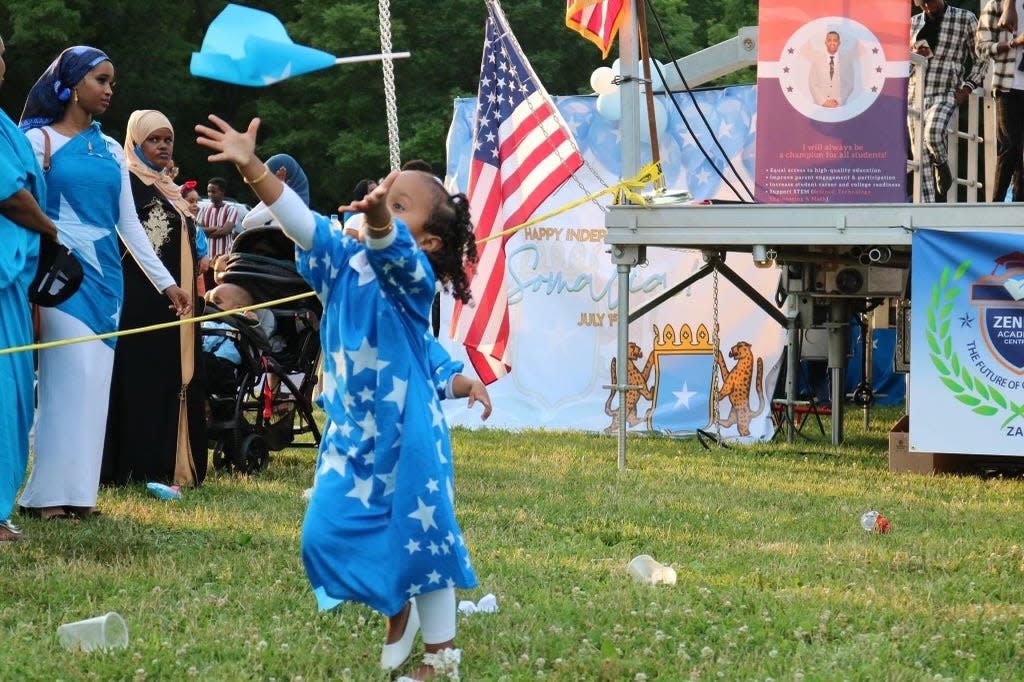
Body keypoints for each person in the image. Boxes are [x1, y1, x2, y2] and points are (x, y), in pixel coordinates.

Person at [196, 113, 480, 681]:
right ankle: (393, 603)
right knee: (322, 535)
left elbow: (396, 265)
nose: (382, 205)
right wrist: (252, 166)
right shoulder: (340, 267)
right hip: (350, 436)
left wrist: (379, 223)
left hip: (409, 440)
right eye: (383, 195)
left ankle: (441, 657)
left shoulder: (411, 280)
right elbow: (301, 224)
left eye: (400, 206)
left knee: (424, 542)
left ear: (429, 242)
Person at [16, 46, 191, 521]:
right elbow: (19, 210)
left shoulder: (113, 148)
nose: (110, 90)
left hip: (107, 280)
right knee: (63, 382)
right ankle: (45, 496)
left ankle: (80, 496)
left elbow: (128, 225)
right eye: (101, 80)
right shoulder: (36, 142)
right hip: (61, 276)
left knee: (95, 386)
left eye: (112, 81)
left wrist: (166, 284)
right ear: (72, 85)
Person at [100, 110, 206, 488]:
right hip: (142, 301)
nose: (162, 147)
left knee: (176, 376)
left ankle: (174, 463)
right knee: (141, 378)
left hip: (180, 301)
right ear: (135, 143)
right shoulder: (127, 182)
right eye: (153, 140)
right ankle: (139, 465)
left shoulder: (166, 186)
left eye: (167, 140)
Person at [0, 34, 60, 542]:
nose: (0, 63)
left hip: (13, 281)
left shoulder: (5, 125)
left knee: (17, 393)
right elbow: (11, 197)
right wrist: (50, 229)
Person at [909, 0, 987, 202]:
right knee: (921, 159)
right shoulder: (912, 23)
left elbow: (982, 57)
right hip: (915, 95)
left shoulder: (965, 18)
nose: (928, 7)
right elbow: (903, 69)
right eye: (923, 4)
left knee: (933, 133)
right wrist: (915, 57)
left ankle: (941, 164)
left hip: (946, 91)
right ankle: (925, 213)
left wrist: (968, 86)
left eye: (931, 2)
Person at [977, 0, 1024, 201]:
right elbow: (981, 49)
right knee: (1011, 146)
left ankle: (1019, 206)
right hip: (1008, 86)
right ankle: (996, 206)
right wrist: (1014, 43)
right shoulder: (996, 5)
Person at [196, 176, 242, 290]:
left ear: (222, 192)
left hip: (223, 260)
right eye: (209, 191)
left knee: (222, 288)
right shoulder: (204, 209)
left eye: (213, 191)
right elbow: (199, 231)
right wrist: (216, 228)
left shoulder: (231, 209)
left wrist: (207, 232)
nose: (210, 194)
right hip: (207, 259)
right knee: (207, 289)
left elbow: (226, 231)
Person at [808, 30, 855, 108]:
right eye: (829, 40)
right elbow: (813, 84)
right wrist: (823, 102)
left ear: (839, 43)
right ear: (825, 43)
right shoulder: (817, 61)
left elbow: (849, 85)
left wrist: (838, 101)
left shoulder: (847, 62)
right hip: (820, 107)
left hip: (839, 107)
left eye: (835, 40)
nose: (832, 43)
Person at [181, 180, 211, 292]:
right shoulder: (181, 225)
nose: (195, 206)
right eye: (191, 201)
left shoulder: (193, 224)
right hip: (187, 275)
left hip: (197, 275)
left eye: (196, 202)